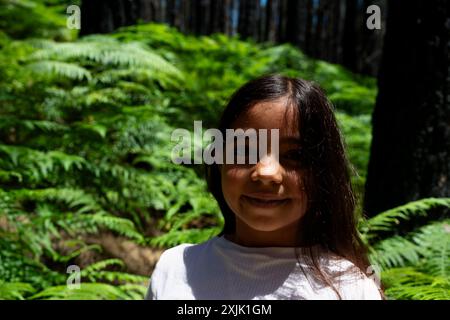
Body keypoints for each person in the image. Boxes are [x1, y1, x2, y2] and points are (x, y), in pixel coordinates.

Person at [145, 74, 383, 300]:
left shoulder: (351, 288)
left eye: (295, 155)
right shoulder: (175, 268)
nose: (266, 172)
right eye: (245, 150)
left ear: (322, 174)